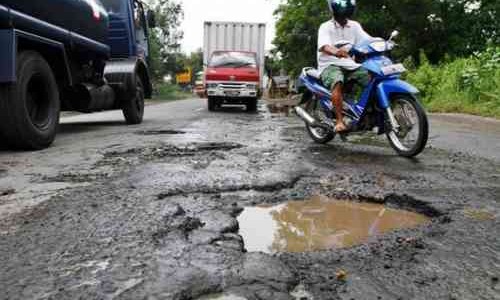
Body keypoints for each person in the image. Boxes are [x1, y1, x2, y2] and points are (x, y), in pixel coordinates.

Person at [318, 0, 372, 132]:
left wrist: (382, 43)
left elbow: (368, 40)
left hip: (350, 64)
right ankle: (339, 121)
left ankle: (367, 113)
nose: (343, 14)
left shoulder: (354, 26)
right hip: (330, 64)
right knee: (337, 81)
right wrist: (336, 52)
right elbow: (324, 46)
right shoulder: (325, 26)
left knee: (372, 78)